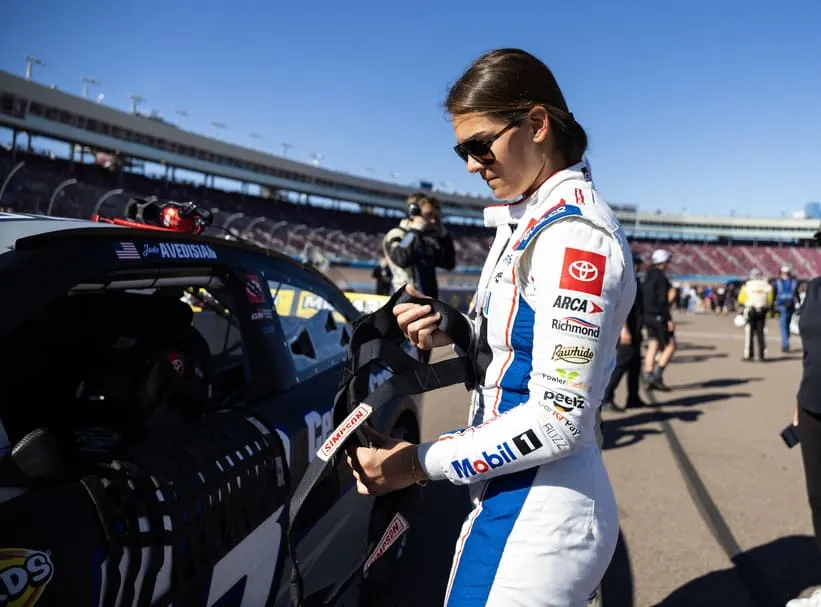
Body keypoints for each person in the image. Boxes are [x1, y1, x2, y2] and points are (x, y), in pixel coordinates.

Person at [347, 48, 635, 605]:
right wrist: (455, 328)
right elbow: (521, 347)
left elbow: (558, 420)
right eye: (462, 150)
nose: (471, 165)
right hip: (515, 492)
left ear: (536, 123)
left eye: (479, 145)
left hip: (540, 506)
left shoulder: (573, 236)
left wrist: (412, 463)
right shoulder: (532, 216)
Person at [787, 243, 821, 607]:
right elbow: (811, 353)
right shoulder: (814, 288)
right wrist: (799, 400)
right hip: (813, 404)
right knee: (818, 498)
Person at [382, 192, 456, 300]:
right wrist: (415, 230)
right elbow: (401, 258)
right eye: (429, 215)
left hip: (428, 302)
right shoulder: (396, 234)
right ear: (413, 213)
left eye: (436, 217)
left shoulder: (423, 241)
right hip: (405, 303)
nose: (433, 221)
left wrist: (444, 237)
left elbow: (448, 263)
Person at [603, 251, 646, 411]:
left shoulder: (634, 280)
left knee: (635, 365)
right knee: (621, 364)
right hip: (626, 330)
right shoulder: (624, 280)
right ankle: (606, 398)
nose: (638, 266)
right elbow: (621, 308)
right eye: (636, 262)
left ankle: (633, 398)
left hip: (635, 329)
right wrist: (624, 330)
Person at [641, 249, 677, 391]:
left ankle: (648, 374)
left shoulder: (646, 275)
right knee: (671, 345)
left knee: (653, 343)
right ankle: (657, 375)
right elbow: (662, 301)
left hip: (646, 314)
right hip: (658, 315)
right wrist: (668, 319)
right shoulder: (661, 278)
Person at [736, 268, 773, 361]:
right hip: (762, 311)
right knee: (762, 333)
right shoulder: (767, 286)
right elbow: (770, 300)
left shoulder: (747, 286)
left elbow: (741, 299)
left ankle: (749, 355)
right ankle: (762, 355)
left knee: (749, 334)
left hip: (750, 311)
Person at [775, 264, 799, 352]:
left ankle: (785, 344)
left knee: (783, 326)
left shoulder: (778, 282)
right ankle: (786, 342)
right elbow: (796, 295)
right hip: (791, 306)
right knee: (787, 325)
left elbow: (775, 293)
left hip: (783, 305)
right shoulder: (794, 282)